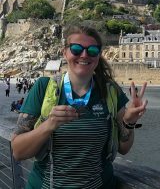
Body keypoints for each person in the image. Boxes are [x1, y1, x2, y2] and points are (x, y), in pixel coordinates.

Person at [11, 24, 148, 189]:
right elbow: (18, 151)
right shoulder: (43, 87)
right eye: (76, 49)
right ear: (65, 52)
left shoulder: (110, 91)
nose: (84, 55)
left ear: (98, 56)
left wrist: (129, 123)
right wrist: (48, 125)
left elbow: (124, 148)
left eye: (92, 51)